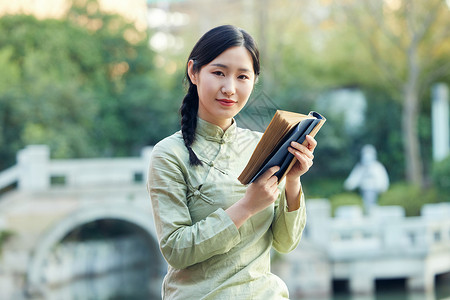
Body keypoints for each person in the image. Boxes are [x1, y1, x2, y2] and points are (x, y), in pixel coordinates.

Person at [147, 25, 317, 300]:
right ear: (194, 72)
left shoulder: (264, 145)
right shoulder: (169, 154)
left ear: (254, 81)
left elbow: (286, 243)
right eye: (218, 73)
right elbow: (176, 250)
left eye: (242, 77)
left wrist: (293, 180)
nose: (229, 88)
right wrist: (247, 206)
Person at [344, 144, 389, 214]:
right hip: (363, 190)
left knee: (373, 206)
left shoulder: (377, 167)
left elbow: (382, 179)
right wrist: (349, 184)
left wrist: (382, 187)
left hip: (374, 190)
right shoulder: (361, 167)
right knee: (365, 206)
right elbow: (355, 177)